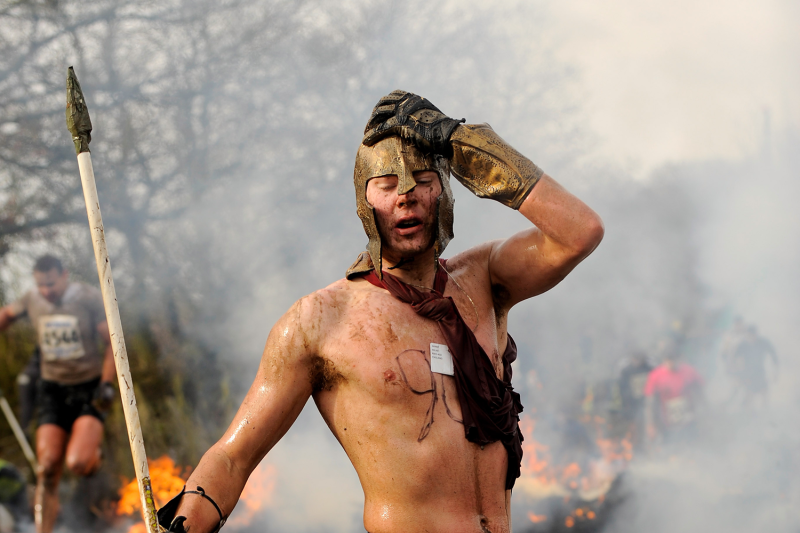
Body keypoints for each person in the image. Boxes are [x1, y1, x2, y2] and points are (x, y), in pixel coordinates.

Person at [157, 90, 604, 533]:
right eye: (387, 186)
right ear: (364, 202)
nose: (405, 197)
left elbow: (579, 232)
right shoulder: (320, 320)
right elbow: (233, 456)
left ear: (445, 191)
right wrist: (189, 514)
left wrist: (464, 143)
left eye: (423, 180)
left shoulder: (484, 279)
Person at [0, 255, 116, 533]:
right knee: (48, 467)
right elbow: (5, 316)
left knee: (77, 462)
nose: (46, 292)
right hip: (52, 390)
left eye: (51, 284)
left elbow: (112, 343)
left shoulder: (87, 298)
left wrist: (108, 383)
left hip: (89, 389)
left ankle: (93, 456)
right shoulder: (31, 299)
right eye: (41, 285)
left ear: (64, 275)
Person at [644, 346, 704, 446]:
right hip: (666, 417)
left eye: (673, 360)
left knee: (692, 444)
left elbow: (700, 391)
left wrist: (704, 413)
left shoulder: (689, 371)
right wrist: (650, 424)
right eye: (668, 360)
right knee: (670, 446)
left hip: (688, 416)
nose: (671, 363)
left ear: (678, 359)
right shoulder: (655, 375)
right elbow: (650, 402)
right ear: (664, 360)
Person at [730, 325, 778, 409]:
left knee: (764, 390)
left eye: (753, 335)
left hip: (760, 371)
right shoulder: (743, 344)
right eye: (749, 336)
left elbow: (773, 353)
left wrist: (776, 369)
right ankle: (749, 410)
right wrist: (736, 371)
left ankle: (765, 409)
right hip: (747, 372)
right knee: (749, 392)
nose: (751, 338)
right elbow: (734, 357)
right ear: (747, 335)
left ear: (756, 334)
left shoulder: (763, 342)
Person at [618, 352, 652, 450]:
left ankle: (648, 448)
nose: (637, 361)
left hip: (646, 402)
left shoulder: (648, 369)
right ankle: (637, 449)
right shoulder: (626, 371)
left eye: (639, 359)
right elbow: (622, 390)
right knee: (635, 429)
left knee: (647, 426)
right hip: (632, 405)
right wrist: (625, 406)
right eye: (635, 359)